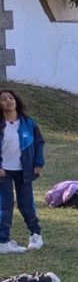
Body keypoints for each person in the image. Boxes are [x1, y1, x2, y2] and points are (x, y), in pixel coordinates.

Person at [0, 89, 44, 253]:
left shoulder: (28, 122)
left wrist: (38, 162)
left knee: (26, 204)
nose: (8, 101)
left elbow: (39, 143)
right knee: (6, 205)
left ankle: (35, 235)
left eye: (11, 98)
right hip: (3, 171)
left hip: (24, 169)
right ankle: (3, 241)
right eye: (3, 99)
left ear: (16, 101)